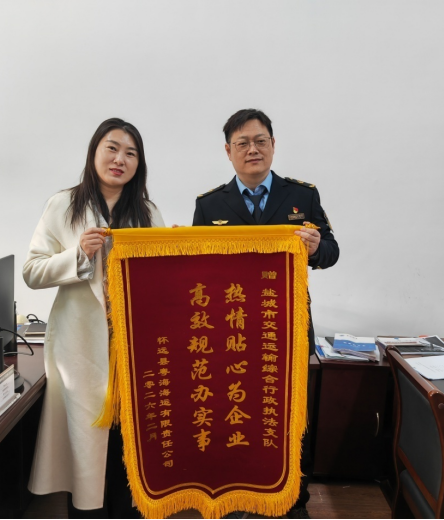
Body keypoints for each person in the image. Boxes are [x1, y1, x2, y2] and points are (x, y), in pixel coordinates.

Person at [193, 108, 339, 520]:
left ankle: (294, 499)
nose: (252, 150)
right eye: (242, 143)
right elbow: (197, 270)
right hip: (231, 329)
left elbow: (331, 252)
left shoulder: (302, 196)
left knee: (292, 415)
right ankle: (238, 495)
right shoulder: (209, 204)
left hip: (288, 326)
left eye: (260, 141)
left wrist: (316, 248)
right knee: (234, 410)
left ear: (273, 145)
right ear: (228, 151)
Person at [24, 118, 164, 519]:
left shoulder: (147, 212)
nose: (120, 159)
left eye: (131, 153)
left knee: (128, 454)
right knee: (86, 457)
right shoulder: (63, 205)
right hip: (81, 350)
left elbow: (160, 281)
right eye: (112, 148)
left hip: (132, 351)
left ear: (139, 164)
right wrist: (77, 256)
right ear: (94, 153)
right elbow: (32, 272)